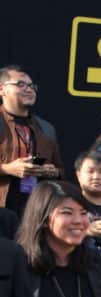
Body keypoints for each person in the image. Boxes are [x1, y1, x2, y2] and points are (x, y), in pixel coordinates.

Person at [0, 65, 62, 217]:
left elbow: (61, 170)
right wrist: (7, 169)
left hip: (36, 211)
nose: (29, 89)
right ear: (2, 89)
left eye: (31, 86)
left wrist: (53, 172)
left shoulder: (46, 127)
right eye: (20, 84)